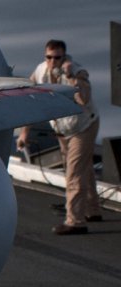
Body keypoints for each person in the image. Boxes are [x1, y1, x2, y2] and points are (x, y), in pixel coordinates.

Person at [20, 40, 102, 235]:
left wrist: (70, 75)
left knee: (74, 173)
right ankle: (92, 209)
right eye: (49, 57)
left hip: (83, 127)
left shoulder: (78, 72)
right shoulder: (40, 72)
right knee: (83, 168)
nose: (52, 62)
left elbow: (84, 99)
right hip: (62, 130)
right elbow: (30, 99)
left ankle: (75, 221)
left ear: (64, 57)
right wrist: (24, 132)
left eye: (57, 58)